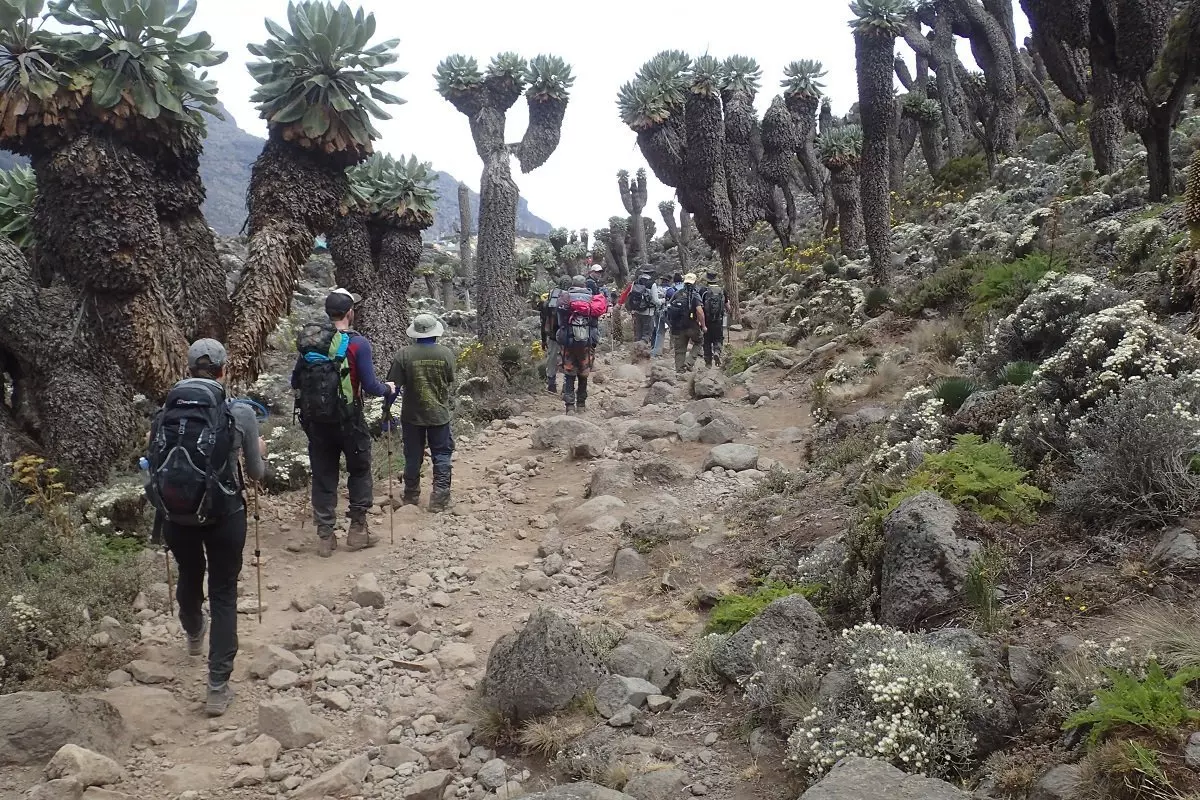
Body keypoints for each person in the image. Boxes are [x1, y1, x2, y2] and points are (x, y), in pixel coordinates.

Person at [144, 339, 266, 717]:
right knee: (224, 593)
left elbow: (152, 462)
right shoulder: (239, 413)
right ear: (223, 370)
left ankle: (194, 630)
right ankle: (217, 687)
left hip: (176, 515)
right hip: (224, 514)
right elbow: (256, 472)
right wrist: (258, 451)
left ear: (188, 368)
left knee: (189, 571)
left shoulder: (165, 413)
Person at [292, 288, 396, 557]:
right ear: (350, 312)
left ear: (328, 312)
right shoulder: (358, 344)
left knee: (323, 474)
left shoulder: (311, 343)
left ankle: (325, 537)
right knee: (359, 470)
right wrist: (388, 388)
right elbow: (370, 386)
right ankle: (358, 530)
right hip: (350, 419)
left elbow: (295, 381)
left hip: (317, 422)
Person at [385, 314, 457, 512]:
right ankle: (440, 498)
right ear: (436, 332)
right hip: (439, 414)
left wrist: (386, 410)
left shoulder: (403, 355)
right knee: (442, 454)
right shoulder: (446, 354)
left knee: (412, 455)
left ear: (415, 333)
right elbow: (450, 379)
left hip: (412, 416)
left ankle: (411, 495)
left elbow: (393, 387)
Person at [556, 275, 608, 413]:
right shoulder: (592, 299)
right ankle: (581, 404)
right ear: (584, 285)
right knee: (584, 373)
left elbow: (560, 320)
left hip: (568, 343)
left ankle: (569, 406)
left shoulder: (565, 297)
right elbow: (596, 321)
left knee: (569, 373)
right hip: (586, 344)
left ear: (572, 285)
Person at [666, 272, 707, 374]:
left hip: (678, 327)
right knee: (699, 341)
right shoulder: (695, 295)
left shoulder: (677, 294)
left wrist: (670, 324)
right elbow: (700, 312)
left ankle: (680, 372)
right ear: (694, 282)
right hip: (692, 326)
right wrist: (703, 325)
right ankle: (689, 363)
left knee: (680, 350)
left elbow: (668, 307)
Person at [541, 276, 571, 394]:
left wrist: (543, 340)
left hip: (553, 335)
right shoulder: (571, 299)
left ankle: (551, 384)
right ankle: (566, 386)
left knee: (551, 358)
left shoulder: (550, 300)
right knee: (567, 360)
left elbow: (543, 322)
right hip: (567, 335)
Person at [698, 270, 728, 369]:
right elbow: (727, 305)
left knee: (706, 340)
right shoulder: (722, 290)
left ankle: (708, 363)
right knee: (718, 338)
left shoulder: (703, 291)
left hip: (706, 321)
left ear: (707, 280)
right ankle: (717, 351)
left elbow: (698, 306)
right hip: (718, 320)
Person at [625, 271, 661, 344]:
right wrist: (662, 301)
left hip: (637, 311)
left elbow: (630, 295)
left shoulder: (635, 282)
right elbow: (655, 300)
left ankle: (636, 349)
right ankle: (642, 348)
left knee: (638, 334)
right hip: (648, 312)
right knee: (646, 335)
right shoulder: (652, 284)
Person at [650, 275, 673, 357]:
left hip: (657, 311)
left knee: (659, 331)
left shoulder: (656, 288)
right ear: (669, 281)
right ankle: (673, 348)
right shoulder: (670, 290)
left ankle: (657, 350)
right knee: (673, 329)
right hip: (667, 312)